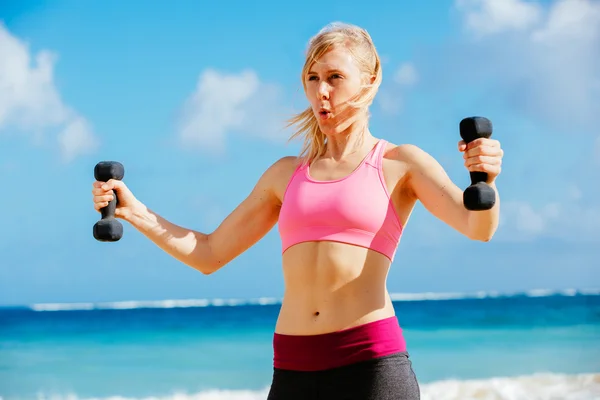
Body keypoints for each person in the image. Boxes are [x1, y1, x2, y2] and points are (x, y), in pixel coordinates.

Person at [92, 22, 503, 400]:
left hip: (370, 364)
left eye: (335, 78)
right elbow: (208, 253)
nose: (322, 92)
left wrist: (486, 180)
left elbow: (477, 226)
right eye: (313, 79)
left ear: (371, 81)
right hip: (294, 368)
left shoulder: (400, 163)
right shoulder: (284, 175)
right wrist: (135, 212)